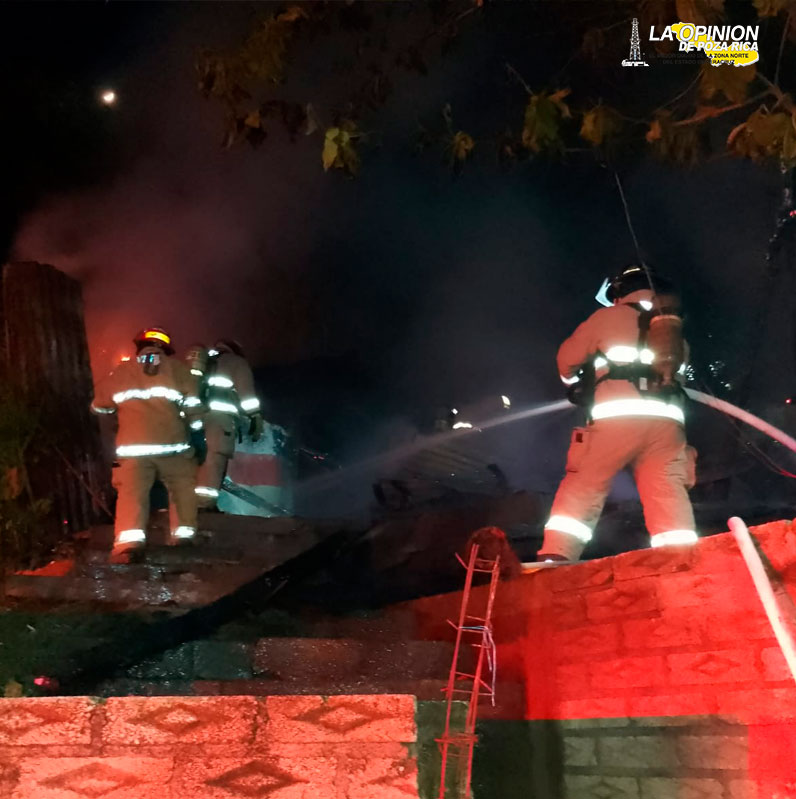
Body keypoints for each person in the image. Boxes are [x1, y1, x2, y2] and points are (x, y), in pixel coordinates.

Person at [537, 265, 698, 562]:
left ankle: (558, 555)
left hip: (618, 419)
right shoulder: (673, 335)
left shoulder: (608, 317)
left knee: (585, 483)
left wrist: (577, 384)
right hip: (668, 424)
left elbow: (566, 361)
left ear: (620, 294)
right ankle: (681, 557)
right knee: (666, 490)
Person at [90, 327, 201, 562]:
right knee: (182, 487)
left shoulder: (122, 371)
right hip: (173, 446)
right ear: (165, 349)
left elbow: (99, 405)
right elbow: (193, 406)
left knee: (132, 494)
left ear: (139, 347)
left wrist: (118, 410)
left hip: (134, 450)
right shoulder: (179, 370)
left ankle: (128, 546)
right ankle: (183, 537)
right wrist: (197, 431)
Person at [192, 339, 264, 509]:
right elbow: (247, 394)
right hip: (220, 421)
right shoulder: (236, 362)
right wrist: (255, 417)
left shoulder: (207, 364)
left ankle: (190, 504)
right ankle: (205, 505)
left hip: (196, 420)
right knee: (215, 460)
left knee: (200, 461)